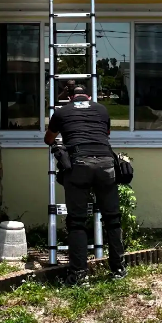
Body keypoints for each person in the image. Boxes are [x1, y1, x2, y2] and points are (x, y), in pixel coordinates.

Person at [44, 85, 125, 285]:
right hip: (106, 164)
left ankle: (79, 275)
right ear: (88, 96)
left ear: (71, 97)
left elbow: (48, 139)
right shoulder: (102, 109)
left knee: (77, 222)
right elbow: (106, 133)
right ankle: (118, 269)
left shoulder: (61, 112)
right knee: (113, 219)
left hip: (79, 165)